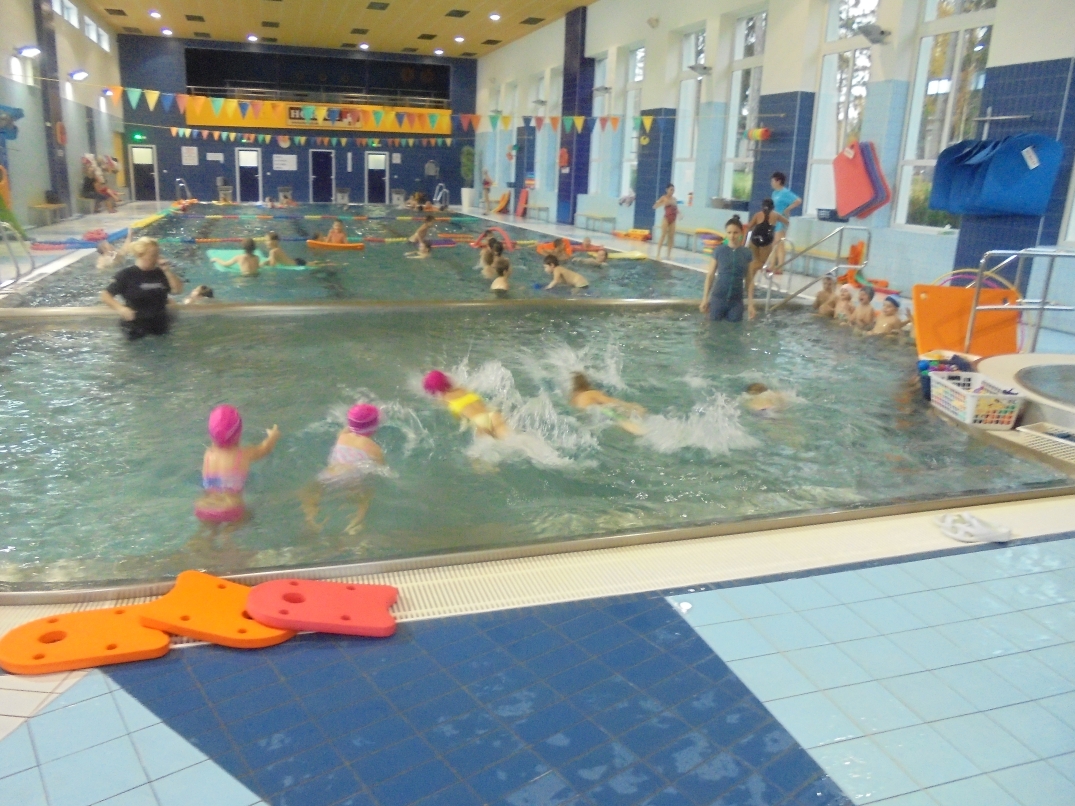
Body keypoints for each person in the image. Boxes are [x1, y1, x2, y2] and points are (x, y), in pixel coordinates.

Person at [301, 403, 385, 535]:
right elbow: (380, 468)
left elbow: (349, 428)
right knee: (364, 497)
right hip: (353, 478)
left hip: (330, 475)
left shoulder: (342, 436)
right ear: (375, 427)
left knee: (309, 492)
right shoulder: (374, 448)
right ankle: (356, 521)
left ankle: (311, 517)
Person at [194, 405, 280, 528]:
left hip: (205, 506)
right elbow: (264, 449)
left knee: (208, 529)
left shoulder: (208, 454)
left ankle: (206, 536)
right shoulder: (243, 454)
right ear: (239, 433)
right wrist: (273, 436)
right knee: (248, 516)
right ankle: (227, 535)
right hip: (231, 506)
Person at [100, 237, 183, 339]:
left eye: (157, 254)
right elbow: (105, 295)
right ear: (140, 255)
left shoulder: (161, 273)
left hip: (160, 324)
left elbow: (177, 290)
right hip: (135, 326)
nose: (156, 258)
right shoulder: (126, 274)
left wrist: (167, 270)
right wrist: (120, 308)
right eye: (153, 255)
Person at [424, 370, 511, 439]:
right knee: (512, 440)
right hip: (494, 415)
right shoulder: (461, 389)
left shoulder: (444, 399)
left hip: (479, 422)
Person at [700, 215, 752, 322]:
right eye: (729, 232)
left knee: (734, 329)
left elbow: (749, 280)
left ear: (741, 233)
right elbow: (710, 276)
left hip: (736, 302)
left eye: (735, 232)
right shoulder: (719, 251)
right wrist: (705, 298)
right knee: (713, 328)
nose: (732, 236)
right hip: (718, 299)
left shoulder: (747, 253)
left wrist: (751, 304)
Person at [745, 199, 789, 320]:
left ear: (762, 206)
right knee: (761, 263)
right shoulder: (776, 215)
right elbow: (787, 222)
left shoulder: (757, 214)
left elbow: (749, 226)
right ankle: (750, 279)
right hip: (766, 241)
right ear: (773, 207)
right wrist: (782, 232)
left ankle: (749, 282)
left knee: (755, 262)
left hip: (755, 239)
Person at [570, 372, 646, 435]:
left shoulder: (574, 400)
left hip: (588, 418)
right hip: (599, 411)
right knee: (621, 420)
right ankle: (643, 432)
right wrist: (631, 406)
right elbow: (611, 402)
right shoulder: (590, 393)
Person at [770, 172, 801, 270]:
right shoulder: (774, 193)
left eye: (773, 181)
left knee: (780, 243)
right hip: (774, 219)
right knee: (774, 243)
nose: (771, 183)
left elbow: (798, 201)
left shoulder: (785, 192)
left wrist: (787, 209)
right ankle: (772, 265)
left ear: (778, 181)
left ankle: (780, 267)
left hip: (782, 220)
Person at [652, 184, 678, 260]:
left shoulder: (674, 199)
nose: (672, 191)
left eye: (673, 190)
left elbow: (676, 209)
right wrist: (663, 203)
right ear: (667, 190)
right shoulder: (663, 198)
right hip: (666, 218)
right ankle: (658, 254)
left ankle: (669, 254)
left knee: (671, 237)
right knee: (663, 235)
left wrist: (680, 214)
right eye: (671, 190)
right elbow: (654, 206)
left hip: (673, 219)